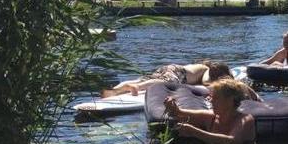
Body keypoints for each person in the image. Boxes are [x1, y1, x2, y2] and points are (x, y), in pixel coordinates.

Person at [163, 79, 255, 144]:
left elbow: (231, 142)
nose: (211, 101)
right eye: (211, 97)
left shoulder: (245, 120)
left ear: (230, 101)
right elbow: (179, 113)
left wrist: (194, 132)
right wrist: (172, 106)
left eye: (216, 98)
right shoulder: (210, 117)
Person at [101, 59, 253, 98]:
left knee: (141, 79)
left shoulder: (198, 66)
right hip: (178, 72)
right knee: (167, 83)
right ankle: (137, 88)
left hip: (170, 68)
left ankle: (116, 90)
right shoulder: (206, 69)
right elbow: (207, 82)